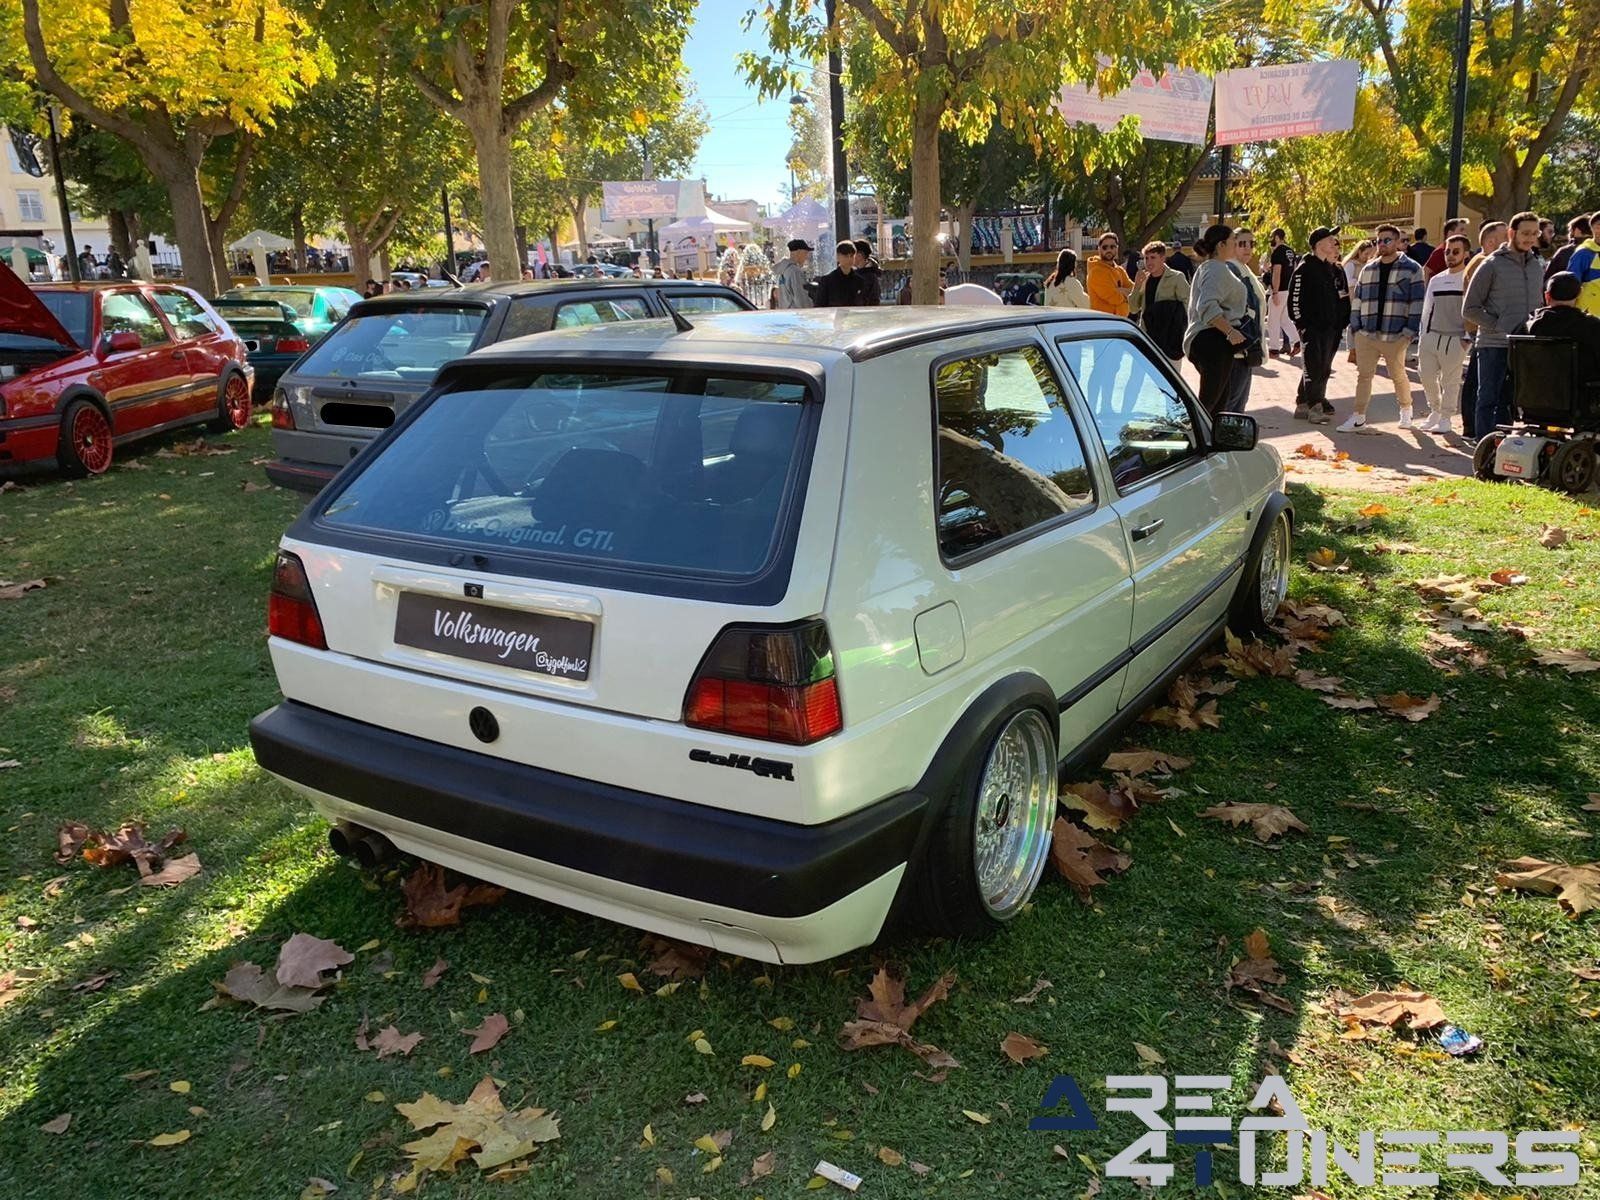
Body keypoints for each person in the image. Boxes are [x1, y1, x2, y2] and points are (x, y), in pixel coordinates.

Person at [1463, 211, 1546, 435]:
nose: (1529, 238)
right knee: (1488, 399)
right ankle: (1484, 452)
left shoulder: (1536, 265)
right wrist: (1501, 326)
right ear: (1511, 233)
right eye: (1525, 233)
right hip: (1493, 344)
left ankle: (1506, 450)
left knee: (1509, 402)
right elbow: (1469, 309)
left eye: (1534, 233)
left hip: (1523, 347)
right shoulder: (1491, 265)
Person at [1343, 223, 1425, 432]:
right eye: (1378, 240)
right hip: (1367, 333)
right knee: (1364, 375)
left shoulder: (1412, 269)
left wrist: (1408, 333)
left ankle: (1406, 410)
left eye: (1387, 240)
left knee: (1398, 374)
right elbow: (1358, 299)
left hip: (1396, 334)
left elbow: (1417, 303)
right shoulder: (1368, 269)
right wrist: (1356, 327)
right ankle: (1358, 415)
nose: (1381, 244)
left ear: (1398, 242)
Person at [1183, 224, 1250, 419]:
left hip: (1213, 341)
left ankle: (1209, 440)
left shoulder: (1213, 268)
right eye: (1232, 242)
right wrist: (1230, 331)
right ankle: (1193, 438)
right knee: (1209, 403)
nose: (1235, 245)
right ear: (1221, 245)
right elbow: (1207, 307)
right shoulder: (1215, 269)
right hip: (1213, 340)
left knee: (1218, 402)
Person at [1288, 226, 1350, 424]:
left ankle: (1303, 402)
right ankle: (1315, 406)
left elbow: (1341, 296)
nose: (1334, 242)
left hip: (1331, 328)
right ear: (1319, 244)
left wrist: (1342, 320)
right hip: (1312, 328)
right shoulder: (1305, 268)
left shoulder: (1332, 269)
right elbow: (1294, 300)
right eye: (1330, 239)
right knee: (1313, 365)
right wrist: (1302, 324)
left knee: (1323, 366)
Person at [1415, 233, 1472, 433]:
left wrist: (1466, 338)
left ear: (1466, 253)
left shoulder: (1469, 279)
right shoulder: (1436, 279)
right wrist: (1423, 335)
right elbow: (1427, 308)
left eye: (1456, 252)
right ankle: (1435, 411)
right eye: (1447, 251)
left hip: (1455, 338)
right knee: (1426, 375)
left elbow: (1471, 310)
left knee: (1451, 380)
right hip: (1431, 336)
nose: (1450, 256)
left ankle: (1446, 417)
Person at [1459, 220, 1510, 438]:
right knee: (1480, 385)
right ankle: (1476, 431)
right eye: (1504, 237)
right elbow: (1472, 305)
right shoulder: (1483, 262)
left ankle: (1475, 428)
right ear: (1491, 241)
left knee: (1480, 382)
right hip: (1485, 332)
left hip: (1492, 332)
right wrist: (1495, 324)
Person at [1521, 272, 1600, 385]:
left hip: (1535, 395)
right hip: (1582, 396)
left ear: (1547, 296)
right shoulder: (1592, 326)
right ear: (1579, 295)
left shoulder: (1528, 326)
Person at [1128, 241, 1190, 362]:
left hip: (1170, 338)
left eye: (1153, 257)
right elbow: (1133, 308)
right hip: (1148, 336)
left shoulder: (1177, 277)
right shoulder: (1144, 279)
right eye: (1146, 258)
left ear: (1162, 258)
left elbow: (1188, 307)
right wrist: (1136, 286)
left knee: (1170, 377)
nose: (1149, 262)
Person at [1264, 228, 1300, 358]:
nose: (1271, 239)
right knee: (1284, 319)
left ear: (1278, 237)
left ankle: (1273, 348)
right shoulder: (1290, 251)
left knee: (1272, 320)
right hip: (1289, 290)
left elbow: (1277, 272)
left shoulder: (1277, 252)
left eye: (1272, 236)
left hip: (1280, 290)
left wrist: (1275, 292)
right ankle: (1297, 341)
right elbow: (1294, 270)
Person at [1086, 232, 1134, 317]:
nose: (1109, 250)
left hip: (1121, 321)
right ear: (1099, 249)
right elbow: (1114, 298)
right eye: (1105, 247)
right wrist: (1125, 292)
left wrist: (1120, 290)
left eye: (1112, 247)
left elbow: (1134, 291)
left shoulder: (1120, 270)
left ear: (1117, 248)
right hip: (1103, 322)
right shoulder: (1096, 271)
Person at [1564, 213, 1600, 316]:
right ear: (1592, 228)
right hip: (1588, 316)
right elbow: (1571, 284)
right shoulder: (1583, 253)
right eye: (1599, 225)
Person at [813, 239, 862, 306]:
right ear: (837, 257)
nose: (849, 259)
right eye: (846, 256)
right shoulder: (827, 280)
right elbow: (820, 304)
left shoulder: (860, 280)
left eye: (851, 256)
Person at [1546, 216, 1591, 283]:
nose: (1568, 234)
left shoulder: (1565, 251)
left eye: (1570, 230)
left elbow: (1548, 277)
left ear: (1577, 230)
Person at [772, 238, 813, 309]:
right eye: (805, 253)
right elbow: (800, 298)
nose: (806, 257)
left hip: (786, 313)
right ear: (798, 252)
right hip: (796, 314)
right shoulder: (795, 271)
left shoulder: (783, 270)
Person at [852, 239, 882, 306]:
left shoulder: (871, 277)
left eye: (851, 254)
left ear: (859, 255)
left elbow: (874, 301)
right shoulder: (855, 273)